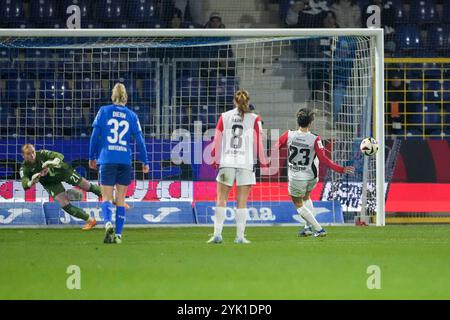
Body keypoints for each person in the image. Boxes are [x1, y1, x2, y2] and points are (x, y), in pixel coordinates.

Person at [273, 108, 354, 237]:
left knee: (298, 204)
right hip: (311, 176)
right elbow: (323, 159)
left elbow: (276, 147)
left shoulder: (288, 135)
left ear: (297, 121)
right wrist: (341, 169)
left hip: (296, 177)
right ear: (310, 123)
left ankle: (319, 229)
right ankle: (307, 228)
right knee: (306, 197)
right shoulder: (315, 139)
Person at [89, 83, 149, 244]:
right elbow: (140, 141)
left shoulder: (104, 111)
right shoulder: (132, 116)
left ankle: (108, 223)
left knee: (107, 197)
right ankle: (119, 235)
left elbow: (94, 136)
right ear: (126, 98)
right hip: (124, 160)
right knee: (121, 198)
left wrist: (91, 156)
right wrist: (145, 161)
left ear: (112, 96)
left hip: (107, 159)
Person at [208, 89, 266, 244]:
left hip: (227, 162)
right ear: (248, 101)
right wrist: (263, 160)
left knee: (221, 199)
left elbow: (216, 142)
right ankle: (240, 237)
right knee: (242, 201)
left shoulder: (224, 117)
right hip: (246, 164)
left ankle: (217, 235)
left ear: (234, 101)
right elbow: (258, 142)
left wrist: (215, 158)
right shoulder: (255, 118)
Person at [20, 144, 101, 230]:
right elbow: (25, 185)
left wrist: (52, 162)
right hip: (50, 182)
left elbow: (60, 155)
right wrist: (32, 181)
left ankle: (111, 198)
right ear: (23, 155)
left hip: (62, 171)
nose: (32, 155)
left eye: (33, 152)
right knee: (64, 204)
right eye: (28, 154)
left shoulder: (42, 153)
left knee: (87, 186)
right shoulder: (24, 168)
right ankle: (90, 220)